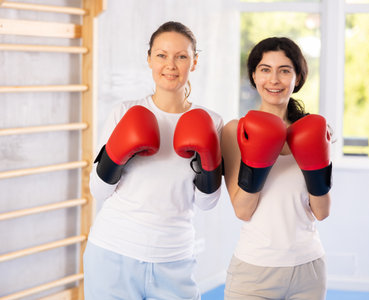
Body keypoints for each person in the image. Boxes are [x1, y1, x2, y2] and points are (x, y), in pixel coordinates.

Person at [83, 21, 224, 300]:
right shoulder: (125, 112)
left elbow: (208, 203)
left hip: (175, 259)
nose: (170, 65)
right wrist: (118, 156)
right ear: (149, 59)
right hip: (113, 252)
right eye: (161, 55)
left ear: (194, 62)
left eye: (181, 56)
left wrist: (205, 161)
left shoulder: (211, 122)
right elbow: (98, 191)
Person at [221, 37, 332, 300]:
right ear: (254, 76)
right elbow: (242, 210)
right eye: (265, 69)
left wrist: (314, 159)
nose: (274, 79)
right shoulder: (234, 131)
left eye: (284, 70)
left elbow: (322, 211)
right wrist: (260, 152)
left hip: (309, 269)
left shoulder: (315, 132)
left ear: (297, 78)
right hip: (254, 271)